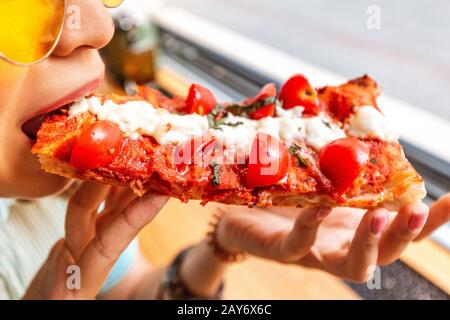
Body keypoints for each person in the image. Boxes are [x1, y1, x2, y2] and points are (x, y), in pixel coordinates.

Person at [0, 0, 448, 300]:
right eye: (19, 10)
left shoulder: (51, 205)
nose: (98, 26)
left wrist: (220, 245)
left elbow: (130, 291)